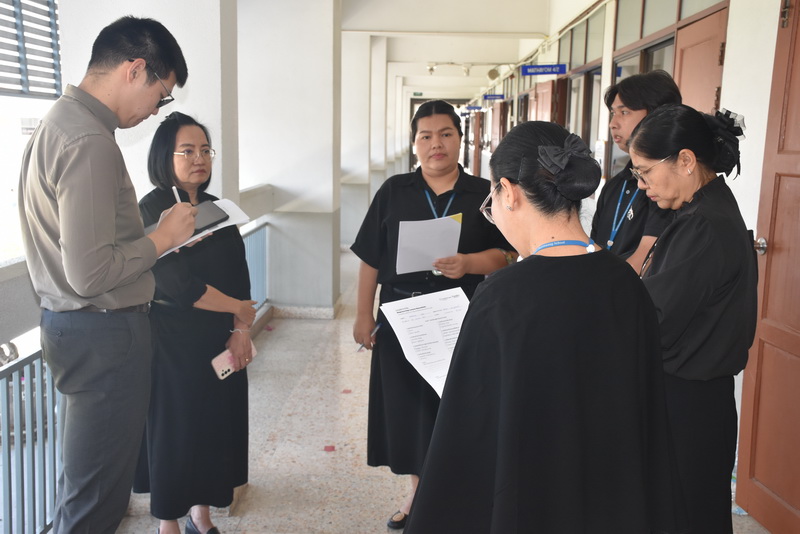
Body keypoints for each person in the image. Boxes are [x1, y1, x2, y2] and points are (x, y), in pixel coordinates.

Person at [404, 121, 688, 534]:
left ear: (509, 192)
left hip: (530, 495)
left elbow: (470, 426)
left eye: (492, 200)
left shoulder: (503, 296)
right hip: (612, 495)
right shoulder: (625, 282)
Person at [17, 16, 194, 533]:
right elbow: (91, 273)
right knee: (95, 503)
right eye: (161, 95)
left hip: (76, 328)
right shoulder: (89, 140)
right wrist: (163, 238)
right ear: (134, 70)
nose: (156, 110)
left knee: (84, 486)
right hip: (104, 332)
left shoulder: (58, 121)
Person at [350, 100, 514, 529]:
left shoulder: (483, 193)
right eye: (426, 136)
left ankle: (459, 495)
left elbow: (507, 255)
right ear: (414, 143)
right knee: (409, 409)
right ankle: (418, 494)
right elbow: (370, 258)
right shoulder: (394, 191)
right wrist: (363, 315)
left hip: (461, 314)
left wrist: (469, 263)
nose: (436, 144)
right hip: (402, 314)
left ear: (461, 139)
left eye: (445, 134)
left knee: (457, 405)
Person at [629, 104, 757, 533]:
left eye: (645, 172)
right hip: (697, 396)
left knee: (684, 514)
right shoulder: (706, 208)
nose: (642, 185)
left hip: (687, 402)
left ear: (685, 160)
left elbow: (654, 320)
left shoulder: (702, 224)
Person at [133, 112, 256, 534]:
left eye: (205, 150)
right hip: (172, 343)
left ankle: (200, 515)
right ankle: (168, 520)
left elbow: (240, 273)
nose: (199, 158)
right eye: (187, 151)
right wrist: (239, 309)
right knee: (175, 431)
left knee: (213, 426)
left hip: (220, 338)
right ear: (164, 156)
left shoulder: (217, 207)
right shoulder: (150, 210)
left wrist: (241, 330)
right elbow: (176, 285)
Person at [591, 70, 680, 271]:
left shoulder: (666, 190)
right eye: (613, 113)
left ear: (656, 115)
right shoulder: (615, 185)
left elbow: (644, 263)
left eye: (624, 112)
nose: (613, 124)